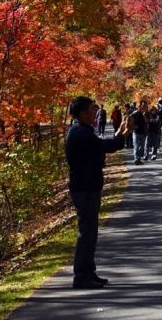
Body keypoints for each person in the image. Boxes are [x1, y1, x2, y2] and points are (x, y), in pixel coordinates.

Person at [65, 95, 129, 290]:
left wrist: (119, 136)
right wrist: (121, 136)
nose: (96, 111)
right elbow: (104, 146)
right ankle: (81, 276)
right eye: (93, 108)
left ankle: (88, 272)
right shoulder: (80, 133)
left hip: (88, 187)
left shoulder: (82, 130)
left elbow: (101, 147)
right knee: (86, 233)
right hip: (84, 189)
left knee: (90, 232)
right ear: (83, 112)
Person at [129, 99, 150, 164]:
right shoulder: (135, 113)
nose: (145, 107)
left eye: (146, 106)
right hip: (136, 132)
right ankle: (136, 159)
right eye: (143, 106)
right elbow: (129, 121)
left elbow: (147, 121)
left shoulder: (147, 113)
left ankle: (139, 159)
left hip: (143, 132)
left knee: (142, 147)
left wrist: (144, 115)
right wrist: (133, 126)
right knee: (136, 146)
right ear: (140, 106)